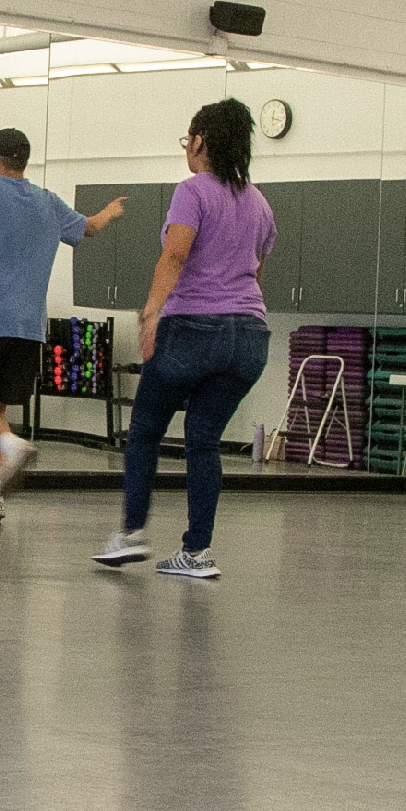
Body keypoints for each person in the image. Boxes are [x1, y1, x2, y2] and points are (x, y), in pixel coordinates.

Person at [95, 99, 274, 578]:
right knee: (203, 439)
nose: (186, 150)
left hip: (194, 329)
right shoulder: (259, 201)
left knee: (146, 431)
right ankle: (195, 554)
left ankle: (131, 534)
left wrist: (151, 314)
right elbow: (257, 268)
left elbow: (174, 256)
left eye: (187, 140)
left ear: (200, 142)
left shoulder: (192, 191)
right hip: (251, 338)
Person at [0, 127, 124, 523]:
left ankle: (11, 444)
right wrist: (108, 212)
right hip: (27, 328)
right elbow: (88, 228)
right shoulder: (48, 202)